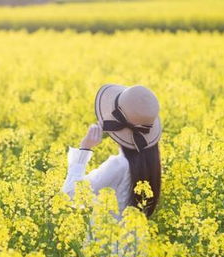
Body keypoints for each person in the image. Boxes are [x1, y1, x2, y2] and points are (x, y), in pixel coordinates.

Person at [61, 83, 162, 220]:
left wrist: (84, 149)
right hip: (136, 239)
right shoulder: (151, 162)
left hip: (107, 240)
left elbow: (71, 195)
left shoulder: (118, 164)